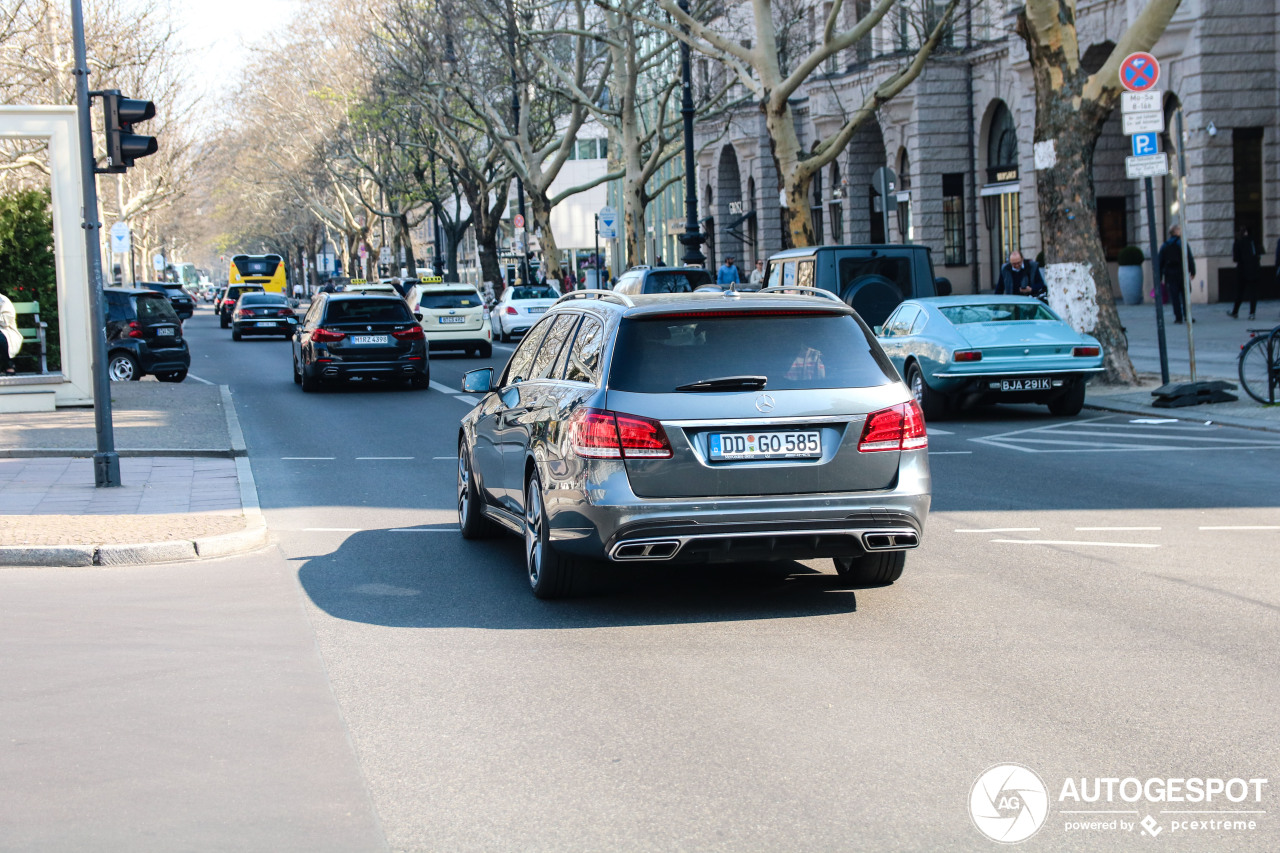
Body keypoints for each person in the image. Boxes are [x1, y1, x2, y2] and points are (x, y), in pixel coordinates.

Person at [1157, 224, 1197, 324]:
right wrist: (1192, 271)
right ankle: (1187, 316)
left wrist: (1159, 275)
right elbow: (1189, 258)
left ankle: (1178, 317)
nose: (1180, 231)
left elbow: (1160, 261)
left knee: (1174, 297)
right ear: (1175, 231)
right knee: (1185, 296)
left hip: (1170, 274)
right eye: (1179, 229)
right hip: (1182, 272)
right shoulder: (1182, 243)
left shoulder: (1165, 245)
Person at [1230, 225, 1260, 320]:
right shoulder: (1253, 241)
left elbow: (1236, 258)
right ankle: (1252, 313)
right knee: (1253, 293)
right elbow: (1259, 253)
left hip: (1242, 270)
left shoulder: (1238, 243)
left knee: (1240, 292)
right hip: (1254, 270)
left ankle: (1235, 311)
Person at [0, 289, 21, 374]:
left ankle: (9, 365)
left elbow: (6, 321)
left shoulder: (3, 300)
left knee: (1, 339)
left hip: (5, 330)